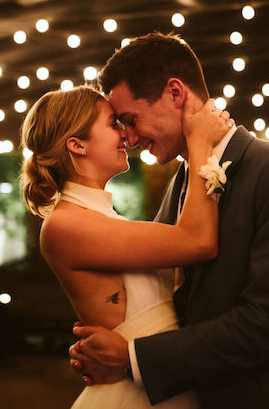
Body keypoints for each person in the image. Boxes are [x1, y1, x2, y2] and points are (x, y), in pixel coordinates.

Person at [68, 32, 269, 408]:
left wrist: (133, 358)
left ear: (175, 93)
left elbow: (268, 324)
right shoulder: (180, 184)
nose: (132, 139)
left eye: (131, 119)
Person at [19, 85, 233, 408]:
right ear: (77, 145)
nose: (126, 136)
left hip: (162, 379)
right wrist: (199, 142)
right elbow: (196, 240)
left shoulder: (103, 216)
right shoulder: (64, 225)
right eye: (112, 124)